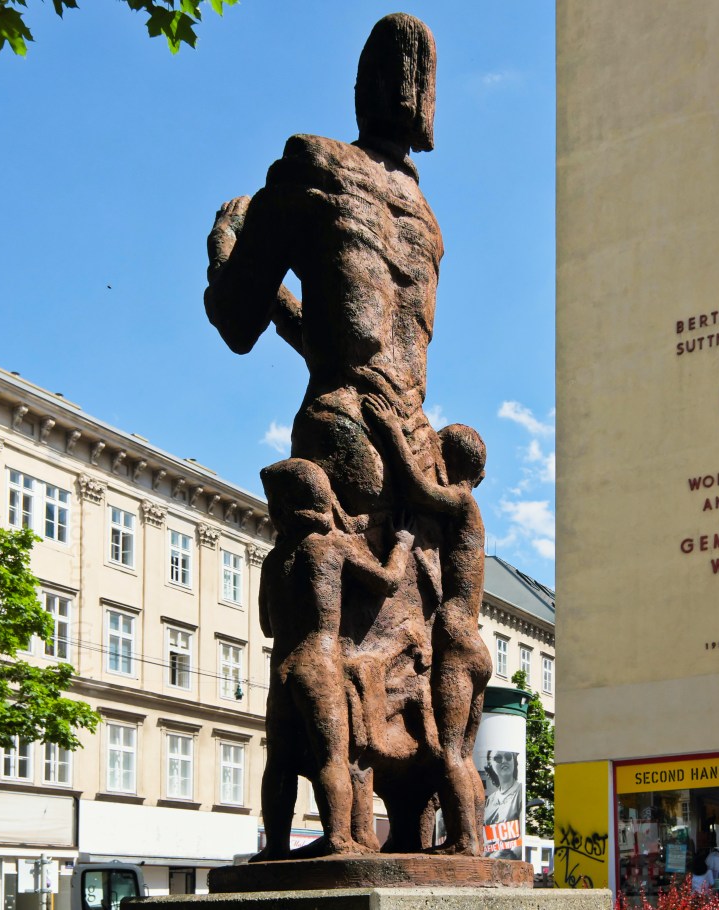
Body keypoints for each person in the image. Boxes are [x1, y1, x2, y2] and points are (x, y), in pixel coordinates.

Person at [204, 13, 445, 522]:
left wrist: (224, 239)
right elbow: (348, 342)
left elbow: (236, 321)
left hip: (343, 429)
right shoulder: (425, 222)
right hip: (419, 453)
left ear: (364, 87)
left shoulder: (316, 164)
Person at [253, 458, 415, 859]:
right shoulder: (330, 545)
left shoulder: (274, 561)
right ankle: (339, 838)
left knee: (280, 763)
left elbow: (266, 626)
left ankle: (275, 846)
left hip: (281, 667)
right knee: (332, 757)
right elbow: (389, 581)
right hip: (319, 661)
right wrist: (403, 544)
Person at [364, 394, 491, 854]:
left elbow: (418, 489)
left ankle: (465, 843)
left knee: (452, 752)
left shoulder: (460, 502)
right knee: (465, 753)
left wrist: (389, 431)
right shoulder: (472, 516)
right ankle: (471, 837)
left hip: (455, 641)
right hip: (474, 643)